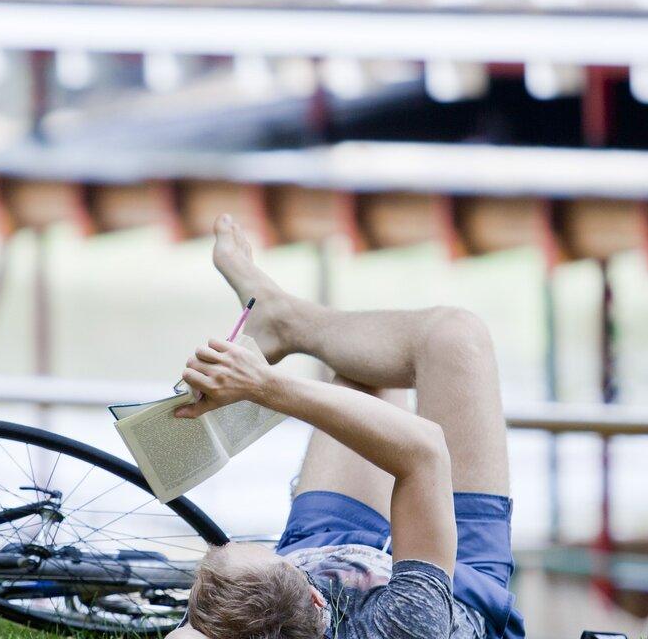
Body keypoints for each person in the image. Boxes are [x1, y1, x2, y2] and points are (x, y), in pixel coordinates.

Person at [168, 214, 524, 639]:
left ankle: (277, 319)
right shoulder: (403, 627)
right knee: (457, 336)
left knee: (362, 372)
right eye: (283, 559)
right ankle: (284, 322)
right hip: (460, 581)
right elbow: (424, 454)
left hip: (330, 540)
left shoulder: (230, 626)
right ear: (318, 600)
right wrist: (261, 385)